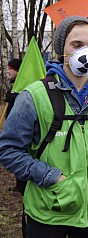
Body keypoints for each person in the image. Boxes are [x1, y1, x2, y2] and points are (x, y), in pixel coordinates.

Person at [0, 16, 88, 238]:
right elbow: (8, 150)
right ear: (61, 49)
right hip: (48, 213)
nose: (85, 51)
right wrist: (52, 177)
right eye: (77, 45)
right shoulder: (34, 96)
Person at [3, 58, 26, 194]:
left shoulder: (23, 85)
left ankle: (23, 186)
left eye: (10, 69)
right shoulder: (14, 84)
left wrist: (15, 97)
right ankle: (19, 185)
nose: (7, 71)